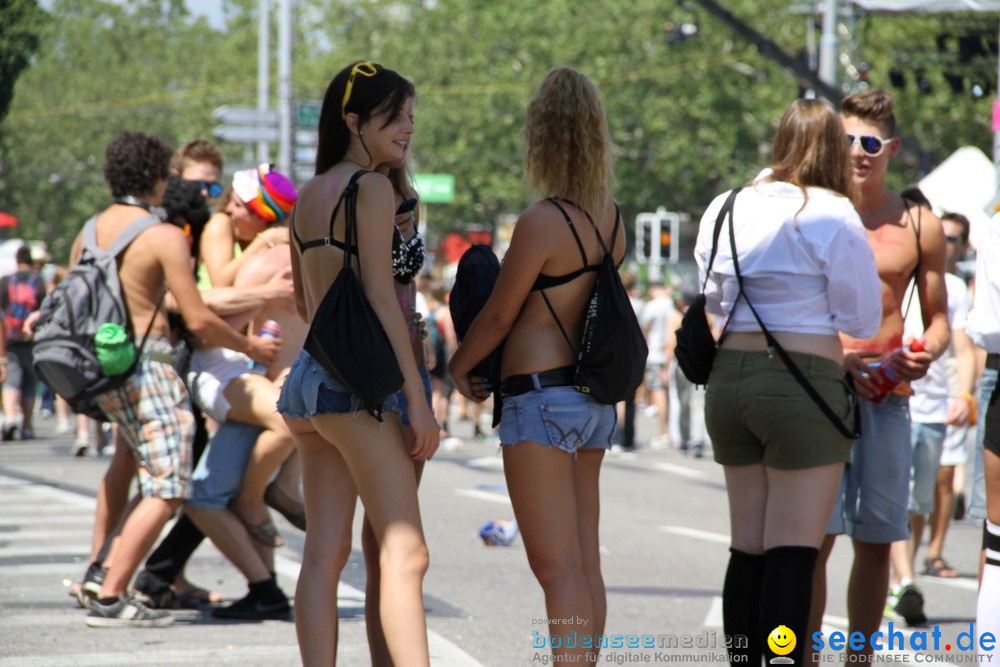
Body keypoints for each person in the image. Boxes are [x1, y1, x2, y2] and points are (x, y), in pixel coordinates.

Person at [696, 99, 881, 666]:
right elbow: (861, 318)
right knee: (793, 553)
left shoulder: (726, 205)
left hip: (729, 381)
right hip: (803, 384)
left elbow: (713, 296)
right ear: (833, 148)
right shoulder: (832, 212)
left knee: (746, 546)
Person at [449, 66, 621, 664]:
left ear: (540, 136)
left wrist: (456, 366)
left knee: (555, 568)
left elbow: (497, 318)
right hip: (592, 400)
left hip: (540, 399)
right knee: (584, 563)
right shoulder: (612, 217)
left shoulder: (543, 221)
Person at [79, 131, 280, 628]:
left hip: (105, 367)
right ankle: (110, 593)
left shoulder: (92, 228)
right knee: (170, 488)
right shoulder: (161, 234)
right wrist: (251, 347)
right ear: (154, 177)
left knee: (143, 474)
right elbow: (198, 318)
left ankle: (103, 573)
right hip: (151, 367)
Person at [278, 61, 438, 665]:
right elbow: (378, 295)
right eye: (394, 117)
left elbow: (303, 300)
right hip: (365, 389)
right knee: (405, 549)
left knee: (324, 553)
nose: (407, 128)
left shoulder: (308, 196)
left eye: (410, 116)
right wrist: (418, 401)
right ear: (353, 121)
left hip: (311, 388)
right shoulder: (368, 188)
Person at [808, 90, 949, 657]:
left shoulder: (919, 224)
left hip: (888, 398)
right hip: (818, 389)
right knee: (814, 539)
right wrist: (834, 359)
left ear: (891, 148)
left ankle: (859, 656)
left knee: (876, 539)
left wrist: (926, 352)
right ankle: (805, 653)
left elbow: (939, 322)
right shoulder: (810, 211)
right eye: (846, 140)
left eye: (870, 142)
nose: (857, 153)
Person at [887, 209, 976, 619]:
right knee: (897, 496)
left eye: (951, 239)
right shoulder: (889, 272)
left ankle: (904, 577)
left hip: (936, 409)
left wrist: (963, 393)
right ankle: (902, 581)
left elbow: (961, 345)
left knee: (919, 503)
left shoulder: (953, 287)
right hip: (893, 402)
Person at [0, 244, 46, 440]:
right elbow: (46, 311)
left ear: (17, 261)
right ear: (31, 261)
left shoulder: (5, 281)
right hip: (32, 338)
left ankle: (10, 418)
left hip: (10, 338)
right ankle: (27, 425)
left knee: (11, 379)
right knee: (29, 382)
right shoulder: (40, 281)